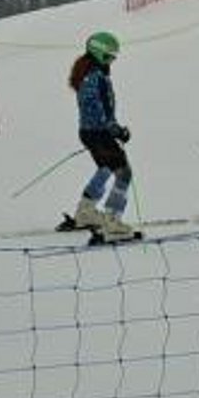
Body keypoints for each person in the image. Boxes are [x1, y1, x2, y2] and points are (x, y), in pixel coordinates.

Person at [63, 31, 139, 243]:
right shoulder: (93, 76)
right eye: (108, 56)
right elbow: (93, 106)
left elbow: (100, 107)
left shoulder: (93, 72)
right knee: (124, 173)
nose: (112, 60)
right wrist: (113, 128)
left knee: (106, 168)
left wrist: (113, 127)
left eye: (114, 56)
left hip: (93, 132)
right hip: (98, 133)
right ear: (98, 53)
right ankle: (112, 221)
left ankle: (85, 212)